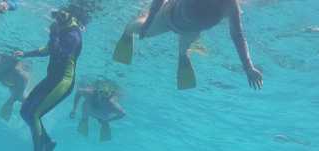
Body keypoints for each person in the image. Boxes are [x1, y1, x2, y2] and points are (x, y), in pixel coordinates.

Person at [6, 6, 85, 151]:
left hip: (62, 83)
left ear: (70, 16)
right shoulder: (64, 30)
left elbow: (58, 53)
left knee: (34, 115)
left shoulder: (74, 34)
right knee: (25, 111)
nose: (57, 19)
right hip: (51, 80)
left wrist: (53, 33)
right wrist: (25, 54)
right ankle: (48, 143)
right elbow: (48, 50)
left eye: (61, 16)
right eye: (56, 16)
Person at [112, 0, 262, 90]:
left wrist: (248, 67)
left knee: (184, 49)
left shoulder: (230, 5)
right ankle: (127, 33)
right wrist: (150, 20)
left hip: (191, 31)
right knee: (138, 30)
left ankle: (183, 56)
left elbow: (237, 35)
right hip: (167, 18)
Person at [0, 53, 29, 121]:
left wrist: (11, 101)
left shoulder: (19, 75)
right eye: (6, 60)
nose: (11, 64)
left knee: (23, 99)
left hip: (17, 86)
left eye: (14, 62)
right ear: (2, 59)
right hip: (11, 83)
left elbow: (20, 90)